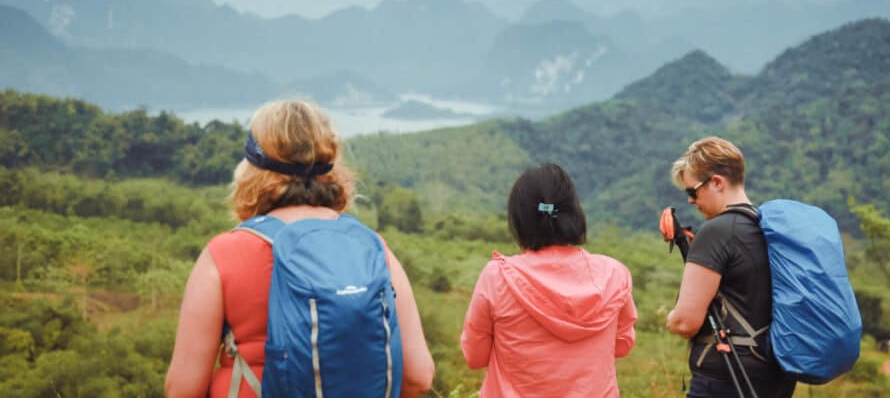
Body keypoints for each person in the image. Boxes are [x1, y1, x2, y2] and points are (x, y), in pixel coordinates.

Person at [165, 99, 434, 398]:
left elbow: (183, 390)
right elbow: (418, 377)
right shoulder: (372, 248)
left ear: (252, 168)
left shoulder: (224, 255)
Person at [461, 163, 638, 397]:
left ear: (519, 219)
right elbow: (622, 345)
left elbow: (475, 357)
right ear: (573, 213)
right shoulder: (613, 274)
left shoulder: (498, 277)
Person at [665, 137, 795, 398]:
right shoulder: (768, 228)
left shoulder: (716, 232)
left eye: (693, 191)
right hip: (777, 377)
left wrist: (671, 318)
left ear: (716, 182)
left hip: (725, 380)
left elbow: (685, 322)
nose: (690, 201)